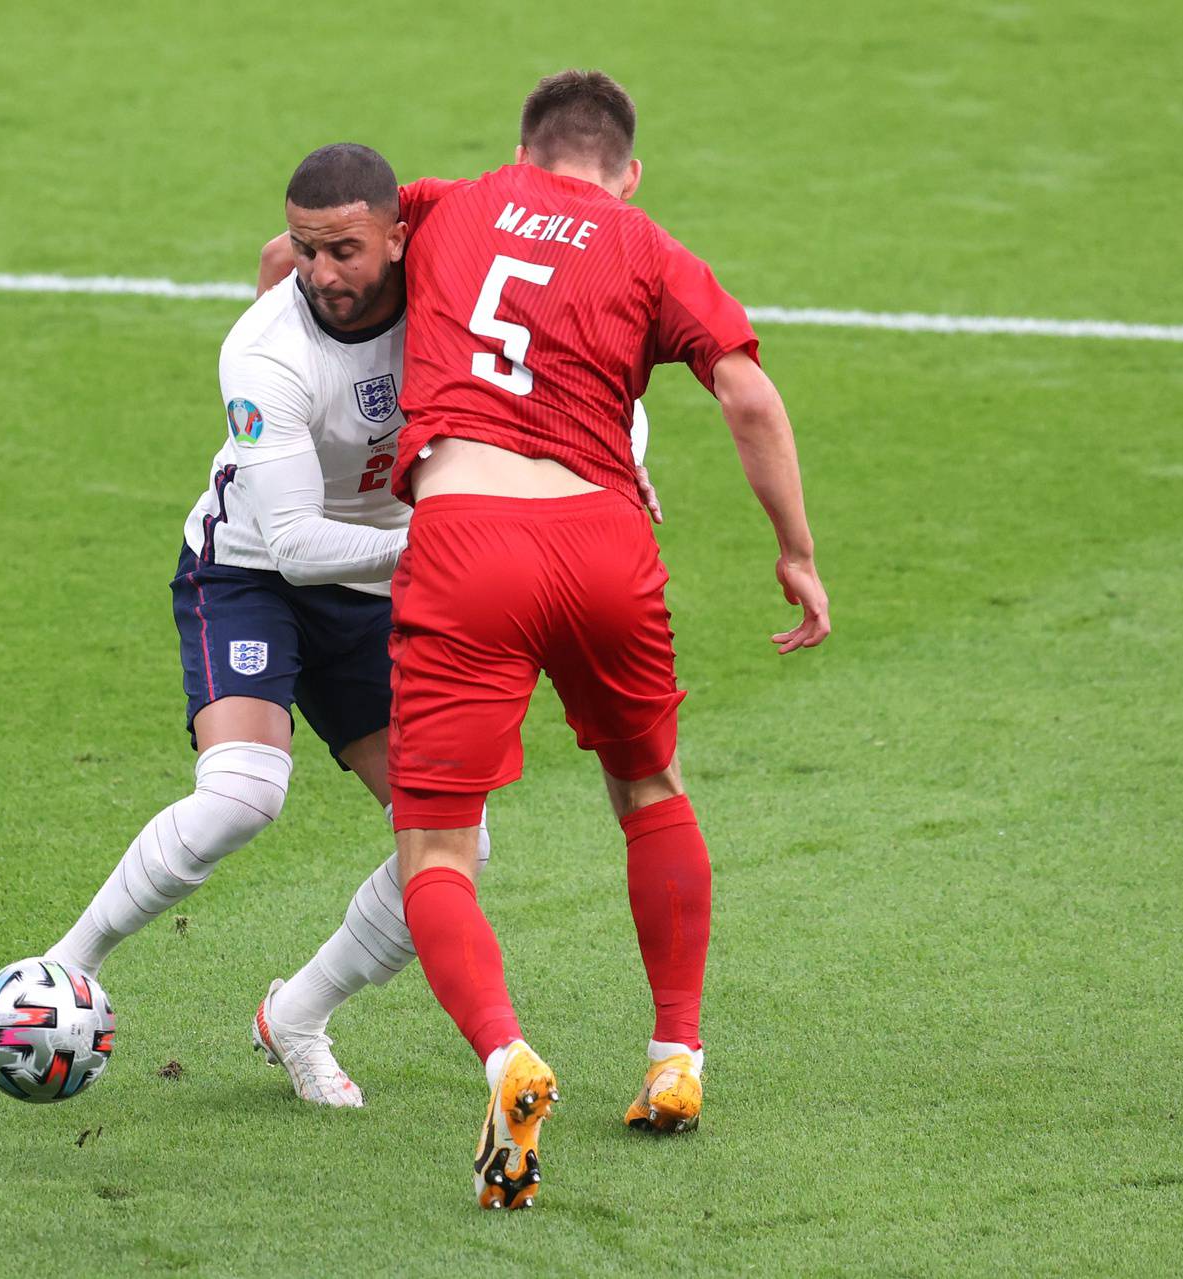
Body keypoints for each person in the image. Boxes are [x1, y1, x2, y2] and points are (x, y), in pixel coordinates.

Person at [384, 70, 832, 1209]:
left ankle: (504, 1055)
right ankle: (675, 1055)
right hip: (602, 539)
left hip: (466, 534)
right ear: (626, 171)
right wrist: (796, 550)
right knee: (648, 782)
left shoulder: (446, 202)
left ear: (522, 152)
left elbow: (317, 251)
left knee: (436, 852)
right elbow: (750, 397)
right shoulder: (645, 242)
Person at [42, 142, 492, 1108]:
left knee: (456, 846)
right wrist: (451, 533)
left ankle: (299, 1012)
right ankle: (60, 973)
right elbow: (293, 544)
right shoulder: (264, 349)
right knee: (243, 793)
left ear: (398, 238)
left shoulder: (451, 292)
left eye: (345, 251)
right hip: (250, 569)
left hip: (377, 593)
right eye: (303, 249)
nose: (320, 274)